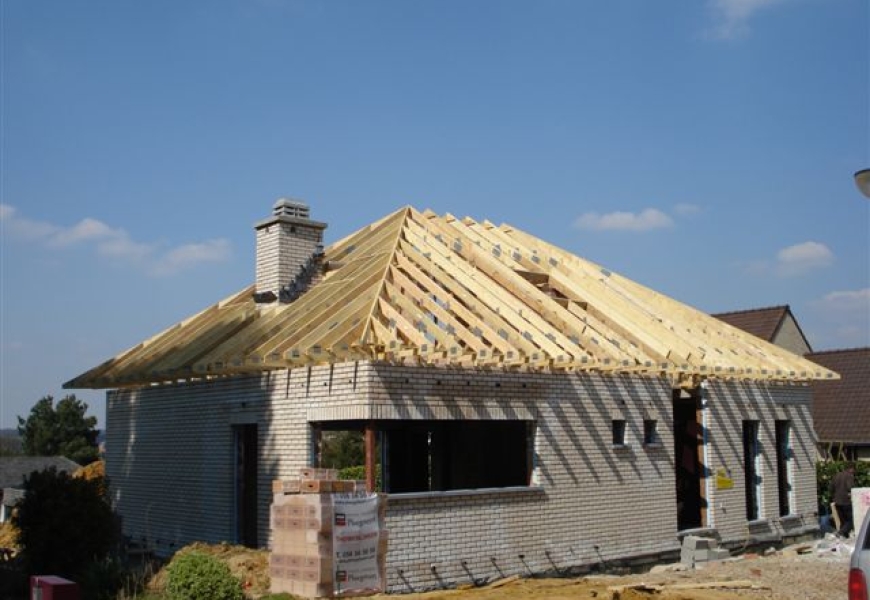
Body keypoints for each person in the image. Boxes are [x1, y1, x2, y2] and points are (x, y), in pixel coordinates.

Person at [830, 464, 856, 538]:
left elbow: (831, 488)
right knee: (850, 521)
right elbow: (850, 487)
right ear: (851, 469)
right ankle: (840, 533)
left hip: (837, 502)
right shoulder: (849, 476)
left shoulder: (836, 475)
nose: (854, 472)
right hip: (846, 501)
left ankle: (844, 537)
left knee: (843, 521)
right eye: (854, 470)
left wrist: (834, 497)